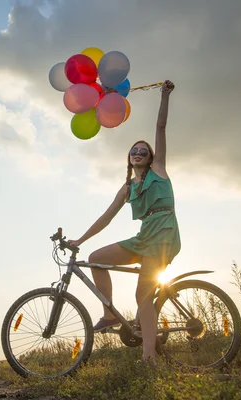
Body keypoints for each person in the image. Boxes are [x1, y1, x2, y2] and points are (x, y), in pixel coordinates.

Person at [68, 80, 180, 364]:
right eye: (134, 152)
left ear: (151, 157)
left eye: (143, 151)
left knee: (142, 295)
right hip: (144, 238)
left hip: (164, 235)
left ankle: (149, 358)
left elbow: (161, 128)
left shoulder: (159, 170)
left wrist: (164, 96)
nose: (139, 153)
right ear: (129, 159)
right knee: (95, 258)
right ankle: (109, 316)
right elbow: (106, 217)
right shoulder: (127, 188)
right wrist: (80, 240)